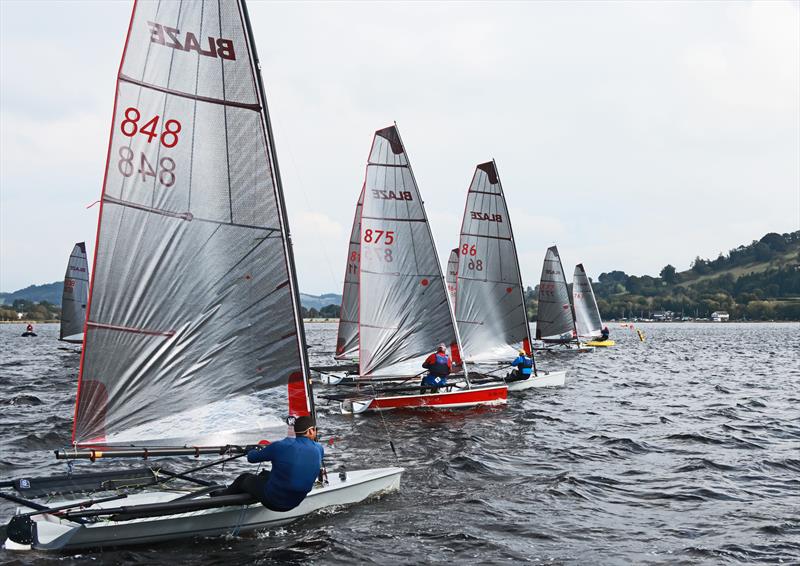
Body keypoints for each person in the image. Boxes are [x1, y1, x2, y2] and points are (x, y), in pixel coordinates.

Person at [212, 415, 324, 512]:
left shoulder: (279, 446)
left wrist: (251, 450)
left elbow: (251, 458)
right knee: (265, 474)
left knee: (244, 478)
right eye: (316, 429)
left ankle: (218, 497)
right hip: (296, 502)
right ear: (310, 431)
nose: (316, 432)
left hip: (273, 502)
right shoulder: (319, 448)